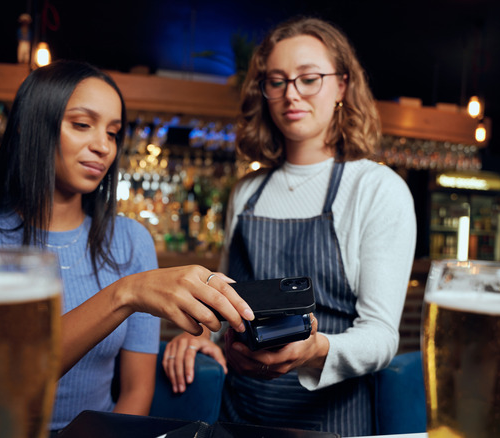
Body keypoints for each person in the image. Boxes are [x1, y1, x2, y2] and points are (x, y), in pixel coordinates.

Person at [0, 60, 254, 434]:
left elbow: (137, 391)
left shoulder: (131, 240)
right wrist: (126, 293)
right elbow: (1, 379)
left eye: (114, 132)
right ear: (29, 125)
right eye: (82, 124)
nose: (103, 146)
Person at [162, 16, 416, 436]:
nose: (290, 94)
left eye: (308, 78)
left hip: (331, 420)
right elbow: (229, 309)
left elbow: (382, 337)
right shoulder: (247, 193)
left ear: (342, 85)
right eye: (276, 81)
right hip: (238, 413)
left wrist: (315, 349)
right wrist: (204, 341)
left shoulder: (376, 188)